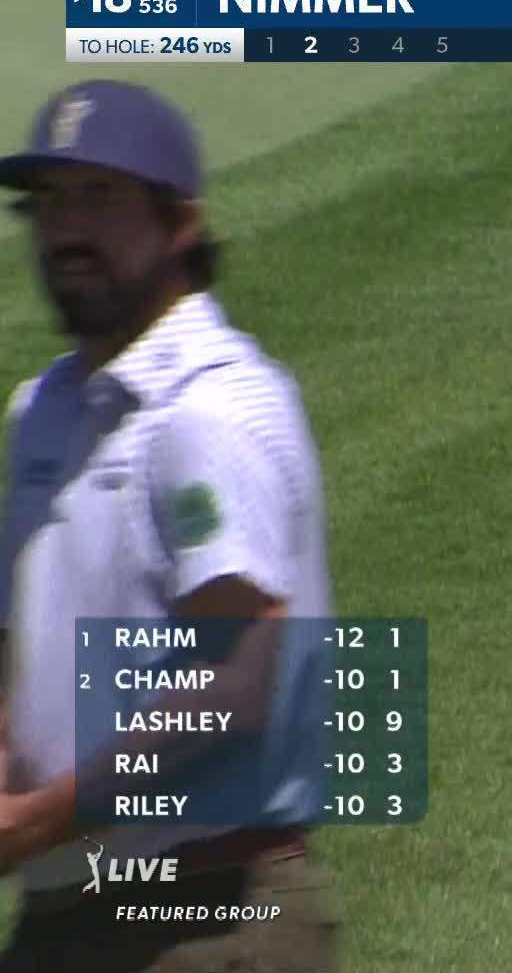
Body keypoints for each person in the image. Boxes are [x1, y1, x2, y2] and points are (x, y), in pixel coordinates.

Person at [0, 79, 339, 970]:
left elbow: (238, 683)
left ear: (180, 223)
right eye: (49, 203)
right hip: (62, 909)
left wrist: (36, 820)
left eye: (99, 197)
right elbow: (25, 659)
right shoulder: (43, 413)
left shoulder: (208, 410)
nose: (66, 229)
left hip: (206, 910)